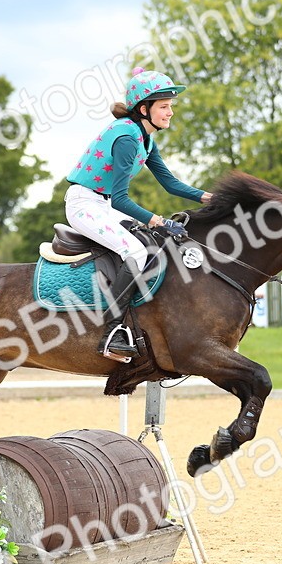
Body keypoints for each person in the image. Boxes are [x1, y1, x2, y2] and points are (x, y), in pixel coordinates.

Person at [64, 67, 213, 361]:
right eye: (165, 107)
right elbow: (121, 199)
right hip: (84, 205)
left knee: (154, 246)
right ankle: (110, 332)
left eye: (171, 107)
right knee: (135, 252)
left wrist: (211, 198)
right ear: (144, 109)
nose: (170, 113)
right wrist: (159, 221)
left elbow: (170, 183)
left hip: (102, 205)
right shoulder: (127, 138)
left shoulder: (146, 138)